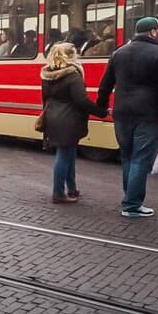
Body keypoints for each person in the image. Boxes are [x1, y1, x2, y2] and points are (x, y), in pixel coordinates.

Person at [96, 17, 158, 219]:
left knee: (128, 157)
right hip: (148, 114)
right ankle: (132, 205)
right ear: (152, 32)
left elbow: (105, 84)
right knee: (141, 160)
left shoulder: (119, 52)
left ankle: (130, 199)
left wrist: (101, 107)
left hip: (122, 113)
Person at [41, 43, 108, 203]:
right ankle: (58, 193)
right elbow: (81, 100)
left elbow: (45, 99)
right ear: (72, 56)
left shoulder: (47, 74)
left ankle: (72, 189)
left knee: (69, 154)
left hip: (53, 117)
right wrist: (101, 112)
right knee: (64, 156)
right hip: (69, 120)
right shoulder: (73, 75)